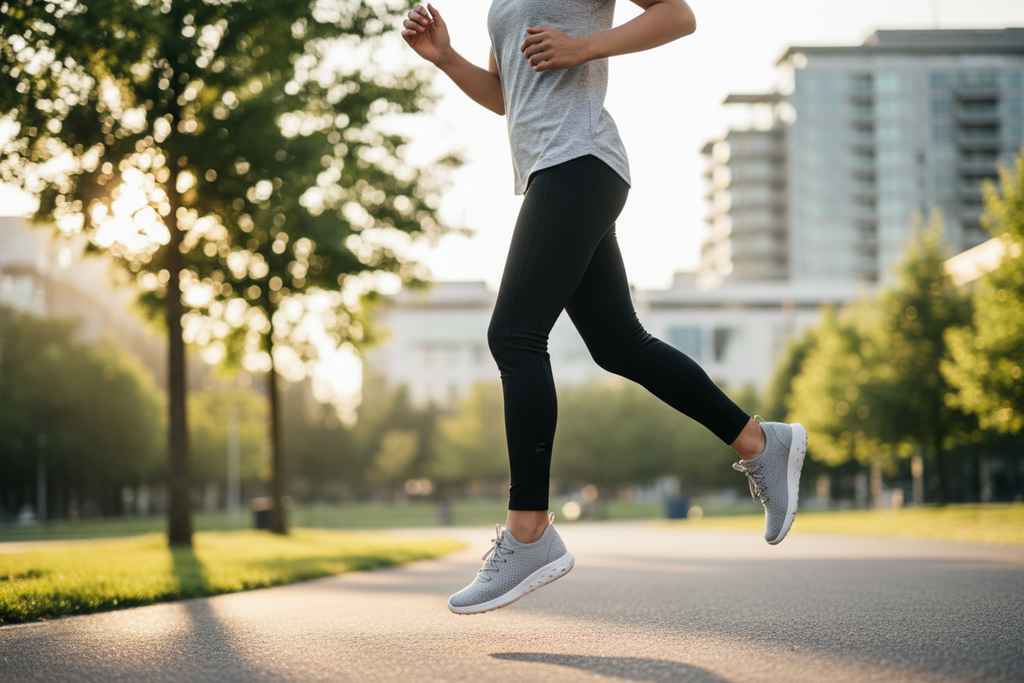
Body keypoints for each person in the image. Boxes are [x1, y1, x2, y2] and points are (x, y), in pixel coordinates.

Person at [401, 0, 807, 616]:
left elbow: (678, 15)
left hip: (579, 162)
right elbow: (507, 96)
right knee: (619, 344)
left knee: (514, 336)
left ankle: (529, 531)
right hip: (555, 171)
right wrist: (447, 58)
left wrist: (583, 47)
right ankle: (760, 442)